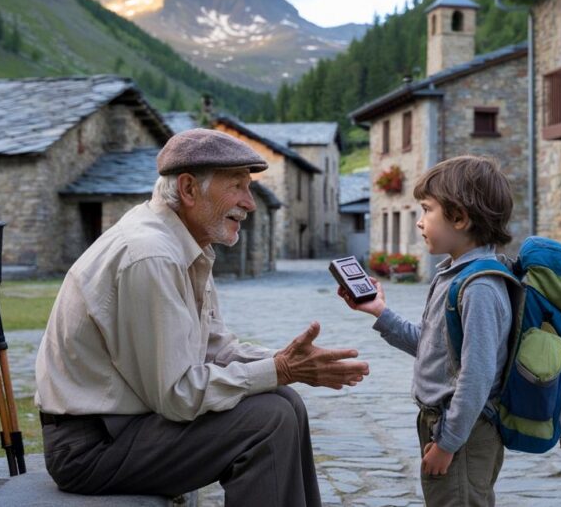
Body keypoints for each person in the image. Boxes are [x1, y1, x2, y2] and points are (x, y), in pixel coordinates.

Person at [35, 129, 369, 507]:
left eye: (248, 187)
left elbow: (215, 349)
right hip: (90, 447)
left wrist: (286, 363)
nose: (250, 203)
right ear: (189, 189)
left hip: (126, 427)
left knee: (285, 400)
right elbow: (177, 394)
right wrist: (280, 369)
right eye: (237, 186)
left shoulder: (184, 245)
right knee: (268, 420)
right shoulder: (151, 255)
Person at [338, 155, 514, 506]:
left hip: (464, 430)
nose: (419, 222)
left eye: (426, 210)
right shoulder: (453, 274)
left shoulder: (479, 288)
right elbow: (433, 346)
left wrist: (448, 443)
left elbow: (477, 377)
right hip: (445, 423)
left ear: (459, 218)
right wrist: (380, 312)